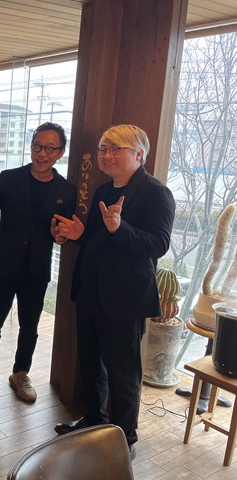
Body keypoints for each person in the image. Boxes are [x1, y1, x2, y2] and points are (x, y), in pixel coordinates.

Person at [52, 124, 175, 460]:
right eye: (103, 149)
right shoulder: (104, 191)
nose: (106, 155)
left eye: (115, 149)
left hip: (125, 298)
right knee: (90, 362)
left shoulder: (156, 193)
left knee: (123, 373)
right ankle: (94, 420)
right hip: (91, 291)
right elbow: (96, 237)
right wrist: (77, 233)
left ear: (139, 154)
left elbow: (158, 245)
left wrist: (120, 228)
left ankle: (124, 438)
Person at [0, 122, 76, 403]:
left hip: (37, 269)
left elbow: (62, 232)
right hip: (3, 265)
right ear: (31, 147)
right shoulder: (8, 178)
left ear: (60, 152)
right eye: (37, 146)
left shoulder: (66, 190)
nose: (42, 153)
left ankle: (20, 373)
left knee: (30, 326)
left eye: (50, 148)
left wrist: (61, 237)